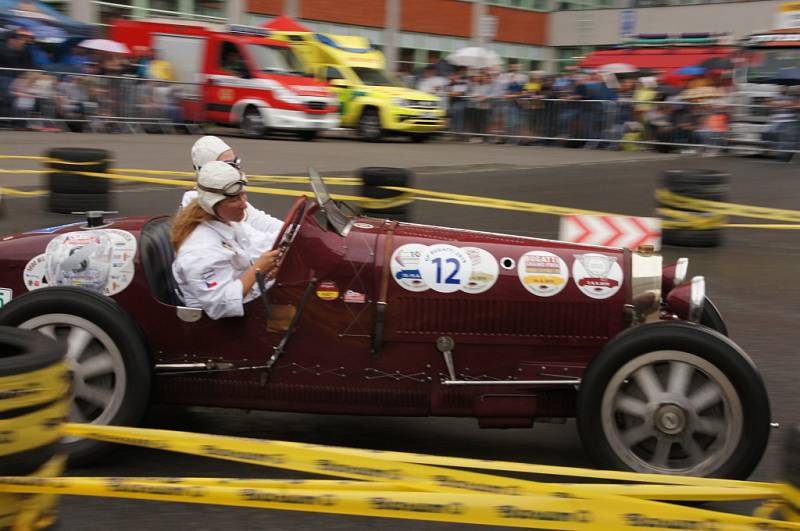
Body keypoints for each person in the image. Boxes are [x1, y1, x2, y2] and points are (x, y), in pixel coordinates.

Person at [171, 161, 281, 320]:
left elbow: (261, 244)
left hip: (254, 299)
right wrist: (258, 270)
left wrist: (300, 233)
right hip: (225, 327)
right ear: (211, 203)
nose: (244, 205)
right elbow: (221, 305)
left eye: (243, 194)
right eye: (234, 199)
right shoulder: (199, 251)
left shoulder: (227, 221)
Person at [182, 136, 284, 249]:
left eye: (236, 163)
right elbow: (250, 246)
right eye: (228, 165)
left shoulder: (229, 199)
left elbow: (262, 224)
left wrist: (299, 232)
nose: (236, 170)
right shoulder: (214, 204)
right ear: (207, 171)